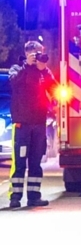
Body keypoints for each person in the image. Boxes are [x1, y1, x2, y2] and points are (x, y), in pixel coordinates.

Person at [8, 41, 57, 209]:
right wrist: (27, 66)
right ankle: (15, 198)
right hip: (22, 124)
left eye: (40, 53)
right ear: (27, 53)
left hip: (39, 123)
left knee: (36, 162)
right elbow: (14, 82)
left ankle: (34, 196)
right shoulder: (17, 69)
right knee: (20, 162)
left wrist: (43, 70)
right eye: (36, 53)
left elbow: (54, 88)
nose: (39, 56)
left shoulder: (44, 72)